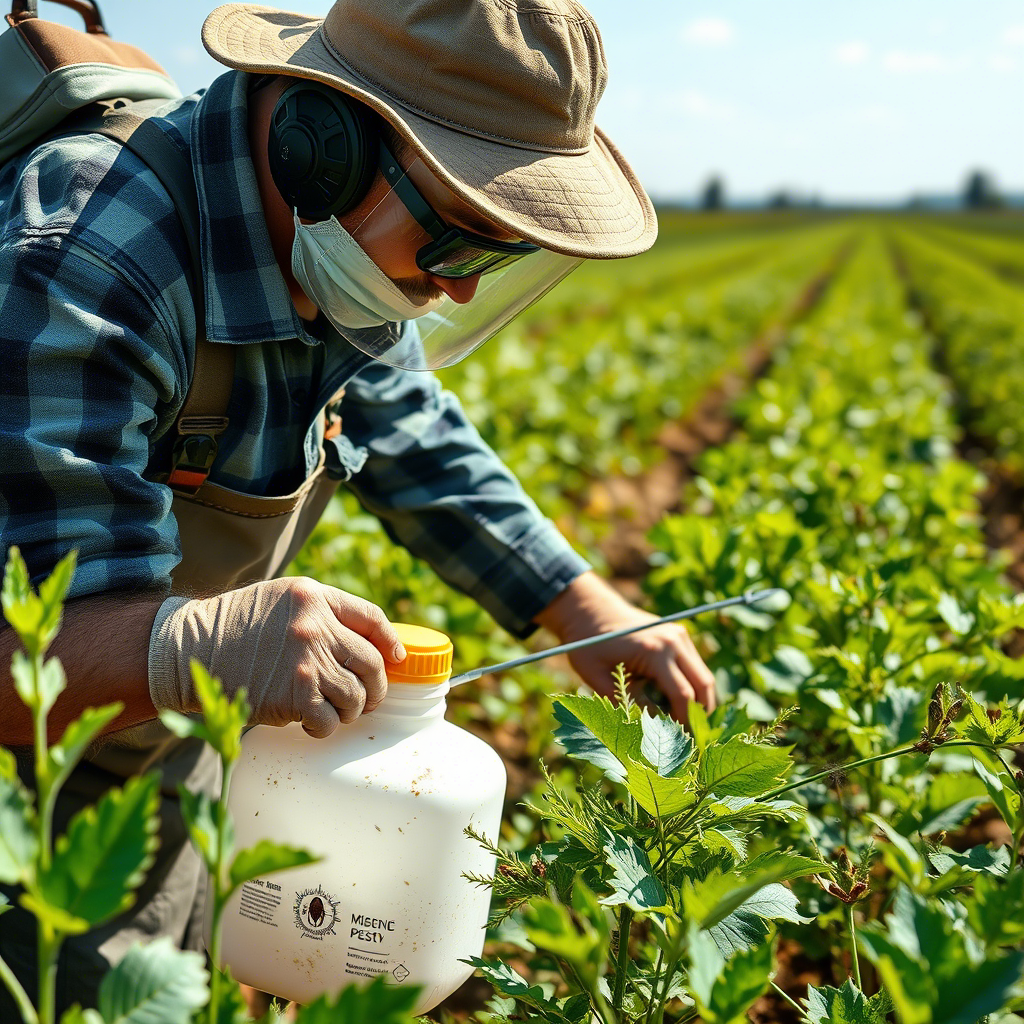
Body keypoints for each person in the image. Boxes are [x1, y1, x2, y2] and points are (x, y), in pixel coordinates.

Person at [0, 0, 716, 1013]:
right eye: (458, 243)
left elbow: (412, 432)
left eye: (496, 258)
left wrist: (581, 605)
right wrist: (202, 646)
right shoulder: (88, 260)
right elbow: (19, 666)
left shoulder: (330, 244)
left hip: (158, 733)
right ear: (320, 145)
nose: (457, 292)